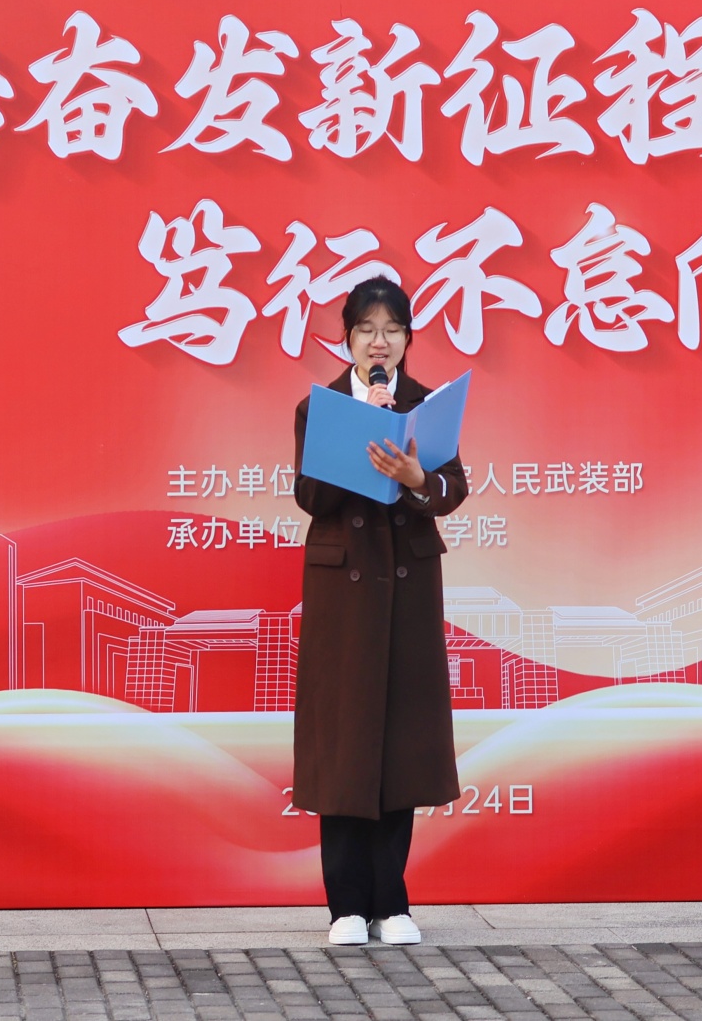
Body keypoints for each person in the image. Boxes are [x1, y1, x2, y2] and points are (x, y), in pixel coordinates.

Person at [291, 276, 469, 947]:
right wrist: (359, 436)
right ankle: (344, 907)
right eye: (366, 329)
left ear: (407, 338)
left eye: (392, 330)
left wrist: (417, 480)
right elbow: (310, 496)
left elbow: (453, 487)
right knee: (344, 744)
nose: (379, 342)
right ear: (348, 338)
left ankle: (392, 903)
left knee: (399, 744)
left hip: (407, 590)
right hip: (345, 594)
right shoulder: (322, 407)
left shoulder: (425, 404)